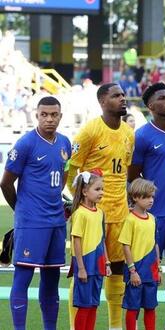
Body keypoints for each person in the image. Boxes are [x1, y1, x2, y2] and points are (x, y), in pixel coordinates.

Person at [66, 82, 133, 329]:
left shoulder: (128, 132)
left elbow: (125, 170)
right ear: (103, 101)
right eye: (116, 95)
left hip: (119, 211)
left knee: (117, 268)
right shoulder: (89, 132)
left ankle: (114, 326)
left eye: (124, 94)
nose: (123, 98)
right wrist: (81, 200)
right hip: (93, 215)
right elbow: (71, 168)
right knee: (85, 271)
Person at [0, 96, 71, 330]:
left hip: (56, 223)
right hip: (31, 223)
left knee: (51, 279)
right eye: (44, 114)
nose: (49, 119)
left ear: (60, 116)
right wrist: (21, 209)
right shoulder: (25, 144)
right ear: (36, 115)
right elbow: (5, 183)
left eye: (54, 115)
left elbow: (64, 174)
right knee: (23, 277)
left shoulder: (64, 143)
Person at [128, 82, 165, 329]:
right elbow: (133, 176)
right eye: (163, 98)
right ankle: (138, 320)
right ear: (151, 106)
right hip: (151, 216)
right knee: (144, 270)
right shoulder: (141, 136)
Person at [69, 170, 111, 330]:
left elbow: (102, 240)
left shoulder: (100, 213)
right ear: (85, 192)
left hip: (98, 266)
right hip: (85, 266)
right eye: (97, 189)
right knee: (84, 306)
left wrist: (106, 262)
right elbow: (76, 241)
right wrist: (80, 268)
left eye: (102, 189)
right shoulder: (80, 214)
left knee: (93, 305)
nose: (102, 192)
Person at [119, 178, 162, 330]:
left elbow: (155, 244)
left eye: (152, 197)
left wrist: (159, 268)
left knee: (150, 307)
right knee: (133, 307)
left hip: (151, 271)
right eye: (147, 197)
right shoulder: (130, 220)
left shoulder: (153, 219)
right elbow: (126, 246)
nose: (151, 200)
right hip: (136, 271)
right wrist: (132, 271)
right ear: (136, 197)